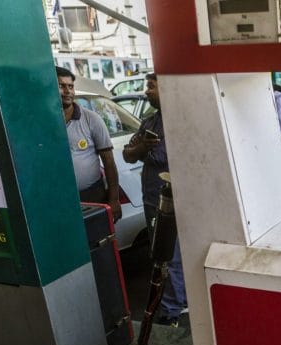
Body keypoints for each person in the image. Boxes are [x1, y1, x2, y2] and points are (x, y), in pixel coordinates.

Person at [123, 73, 187, 326]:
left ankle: (172, 308)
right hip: (154, 200)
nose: (146, 91)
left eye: (151, 86)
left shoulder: (183, 121)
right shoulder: (149, 122)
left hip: (180, 200)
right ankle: (173, 301)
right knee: (162, 254)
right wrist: (142, 148)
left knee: (174, 254)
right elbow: (128, 154)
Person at [56, 66, 122, 221]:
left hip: (92, 195)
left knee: (96, 239)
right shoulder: (44, 122)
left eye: (70, 86)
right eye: (61, 86)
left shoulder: (91, 119)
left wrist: (114, 199)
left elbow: (109, 161)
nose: (68, 91)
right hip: (60, 199)